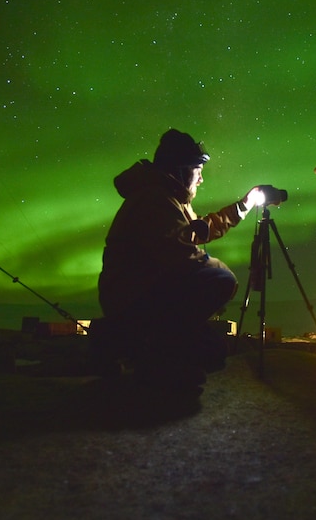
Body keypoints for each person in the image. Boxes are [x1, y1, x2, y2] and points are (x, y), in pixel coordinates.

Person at [93, 128, 261, 393]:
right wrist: (217, 270)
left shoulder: (167, 198)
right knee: (219, 278)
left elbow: (197, 229)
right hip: (133, 298)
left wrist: (245, 204)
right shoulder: (155, 200)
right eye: (198, 170)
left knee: (213, 351)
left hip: (143, 294)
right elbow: (184, 262)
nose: (201, 179)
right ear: (181, 169)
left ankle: (125, 339)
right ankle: (151, 358)